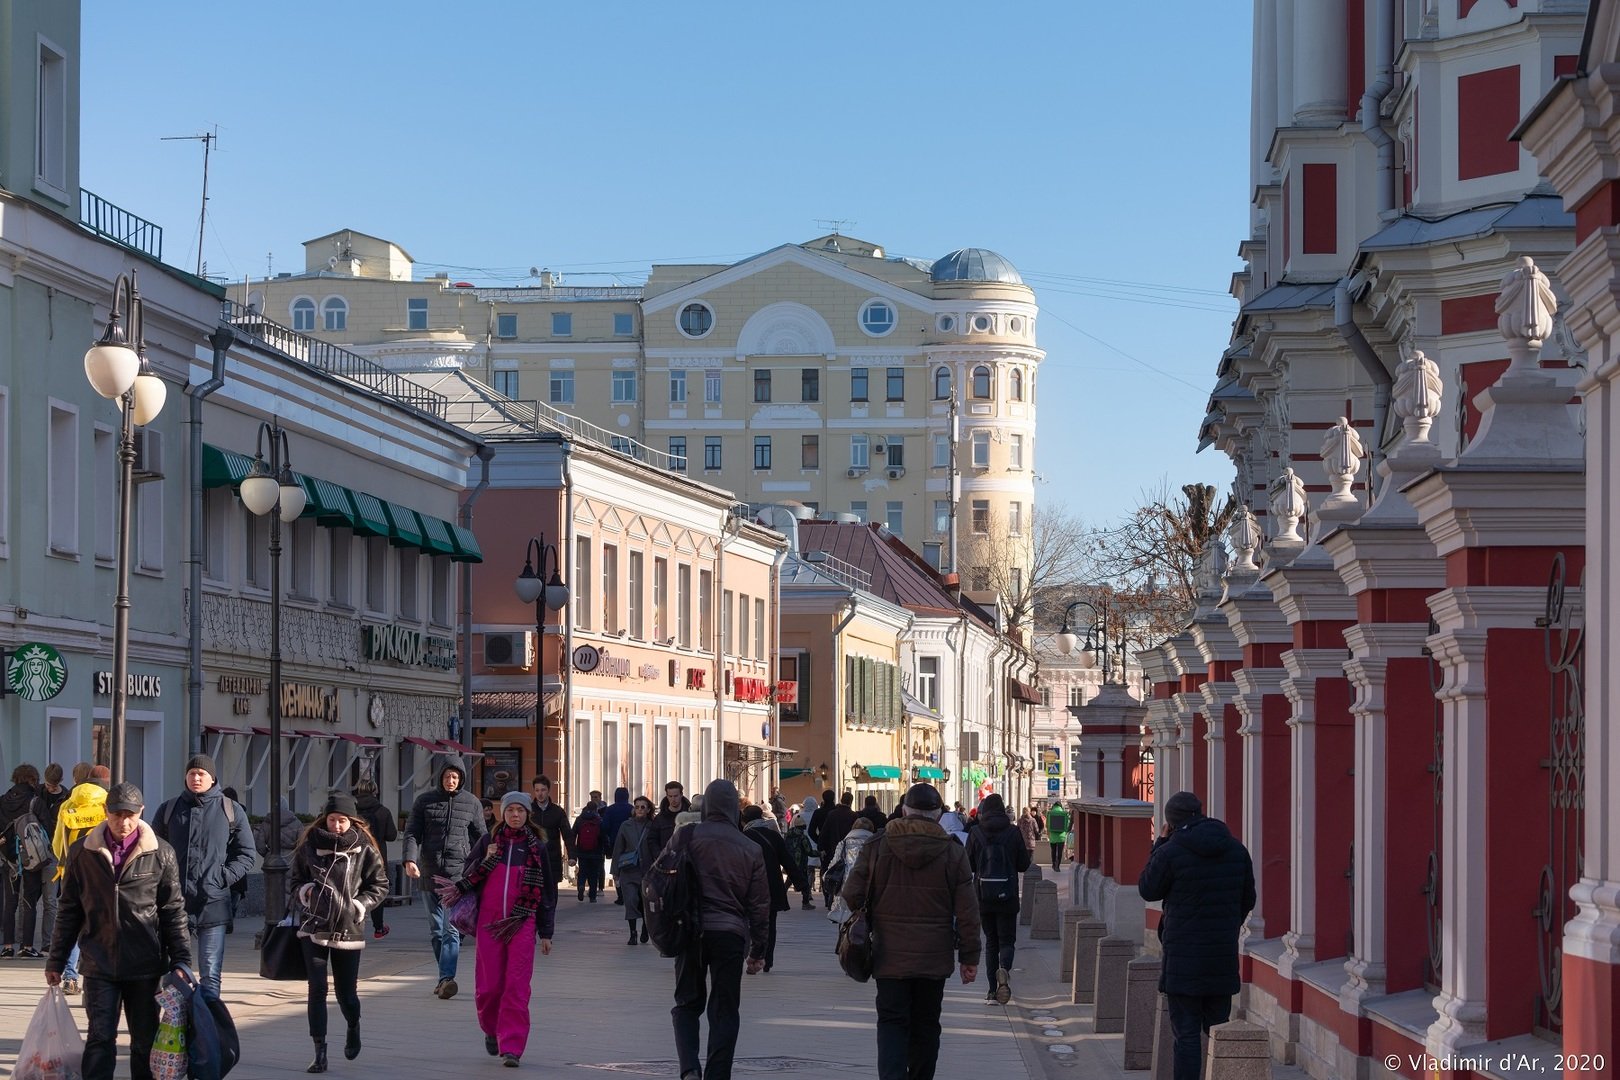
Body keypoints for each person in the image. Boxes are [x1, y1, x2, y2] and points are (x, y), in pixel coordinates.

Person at [45, 782, 191, 1080]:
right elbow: (69, 910)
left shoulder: (160, 853)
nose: (123, 822)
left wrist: (181, 962)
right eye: (116, 815)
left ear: (141, 813)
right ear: (104, 812)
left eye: (130, 815)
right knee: (99, 1041)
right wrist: (56, 960)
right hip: (99, 962)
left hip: (144, 965)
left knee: (144, 1042)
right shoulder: (82, 852)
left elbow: (173, 910)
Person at [842, 783, 980, 1080]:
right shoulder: (953, 852)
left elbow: (851, 894)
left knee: (891, 1022)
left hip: (889, 956)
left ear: (904, 811)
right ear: (938, 815)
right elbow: (968, 911)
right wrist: (970, 956)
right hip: (934, 957)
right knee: (927, 1025)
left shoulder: (877, 846)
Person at [1137, 791, 1257, 1080]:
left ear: (1171, 823)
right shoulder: (1236, 849)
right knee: (1218, 1029)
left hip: (1183, 960)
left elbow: (1148, 889)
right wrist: (1228, 926)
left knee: (1187, 1036)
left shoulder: (1170, 851)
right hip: (1221, 955)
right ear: (1200, 813)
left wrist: (1160, 843)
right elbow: (1248, 899)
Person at [437, 791, 556, 1068]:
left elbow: (547, 892)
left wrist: (546, 932)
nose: (515, 815)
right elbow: (468, 876)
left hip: (521, 922)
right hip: (489, 924)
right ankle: (491, 1029)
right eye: (511, 810)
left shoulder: (536, 847)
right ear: (503, 813)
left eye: (521, 810)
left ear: (528, 815)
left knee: (516, 986)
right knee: (489, 987)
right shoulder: (488, 841)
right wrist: (484, 859)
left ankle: (512, 1046)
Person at [668, 780, 769, 1080]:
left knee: (686, 1004)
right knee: (725, 1009)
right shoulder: (750, 847)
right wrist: (758, 951)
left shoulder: (686, 835)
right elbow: (760, 905)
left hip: (690, 931)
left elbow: (658, 877)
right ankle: (717, 1074)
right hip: (730, 935)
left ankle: (689, 1069)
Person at [289, 791, 390, 1074]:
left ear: (351, 821)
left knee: (347, 993)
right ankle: (319, 1052)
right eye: (332, 819)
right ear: (325, 819)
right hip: (314, 926)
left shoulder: (364, 849)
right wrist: (306, 891)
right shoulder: (310, 845)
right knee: (317, 988)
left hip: (349, 929)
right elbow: (295, 879)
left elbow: (380, 885)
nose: (336, 825)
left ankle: (353, 1025)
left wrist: (359, 905)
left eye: (342, 820)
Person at [151, 754, 254, 1000]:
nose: (196, 778)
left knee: (210, 971)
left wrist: (222, 877)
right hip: (175, 903)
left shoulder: (230, 809)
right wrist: (164, 883)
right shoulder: (170, 809)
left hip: (213, 901)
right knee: (175, 970)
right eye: (192, 774)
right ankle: (174, 1024)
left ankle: (209, 1025)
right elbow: (152, 849)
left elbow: (247, 854)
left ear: (212, 777)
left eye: (201, 774)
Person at [401, 757, 484, 1000]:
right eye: (447, 776)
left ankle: (447, 978)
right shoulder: (425, 801)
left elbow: (482, 837)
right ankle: (442, 976)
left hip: (458, 877)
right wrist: (410, 860)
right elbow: (412, 833)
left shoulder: (471, 803)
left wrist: (481, 868)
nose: (451, 781)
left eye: (455, 777)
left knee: (451, 929)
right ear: (440, 777)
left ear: (461, 779)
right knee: (436, 930)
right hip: (429, 872)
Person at [965, 793, 1032, 1004]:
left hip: (984, 896)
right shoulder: (1013, 832)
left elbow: (969, 865)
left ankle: (992, 991)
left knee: (991, 942)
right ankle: (1004, 968)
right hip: (1008, 894)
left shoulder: (975, 832)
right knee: (1007, 940)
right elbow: (1023, 864)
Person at [51, 763, 109, 993]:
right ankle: (101, 974)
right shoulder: (108, 802)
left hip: (71, 874)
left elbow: (57, 844)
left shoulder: (68, 803)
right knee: (103, 925)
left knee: (73, 924)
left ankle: (71, 977)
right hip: (103, 874)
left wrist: (65, 863)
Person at [741, 803, 806, 972]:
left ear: (744, 820)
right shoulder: (774, 836)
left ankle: (752, 956)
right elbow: (787, 859)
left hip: (750, 886)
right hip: (772, 885)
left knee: (749, 922)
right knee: (770, 924)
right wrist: (800, 882)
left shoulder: (743, 837)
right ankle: (767, 960)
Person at [0, 763, 40, 957]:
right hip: (30, 856)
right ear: (32, 779)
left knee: (10, 902)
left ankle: (7, 946)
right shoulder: (34, 801)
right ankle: (27, 946)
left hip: (8, 858)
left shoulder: (2, 800)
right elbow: (47, 827)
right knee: (29, 901)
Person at [31, 764, 70, 953]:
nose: (50, 788)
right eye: (47, 784)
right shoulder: (37, 793)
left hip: (55, 850)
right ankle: (26, 942)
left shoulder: (67, 797)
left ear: (60, 782)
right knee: (31, 896)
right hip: (36, 847)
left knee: (50, 899)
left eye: (53, 785)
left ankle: (47, 941)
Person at [352, 779, 398, 939]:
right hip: (377, 857)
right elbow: (392, 835)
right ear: (375, 791)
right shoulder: (383, 811)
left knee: (354, 889)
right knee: (376, 890)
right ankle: (378, 928)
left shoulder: (352, 810)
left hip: (355, 857)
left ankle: (353, 923)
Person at [609, 795, 656, 944]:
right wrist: (615, 871)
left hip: (647, 870)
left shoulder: (652, 826)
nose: (640, 810)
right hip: (628, 870)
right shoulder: (626, 825)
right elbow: (618, 848)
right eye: (637, 807)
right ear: (633, 809)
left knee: (644, 902)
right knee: (630, 901)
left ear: (648, 810)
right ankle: (632, 933)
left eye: (643, 807)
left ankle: (645, 929)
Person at [527, 775, 573, 904]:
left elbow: (567, 834)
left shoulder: (557, 811)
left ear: (548, 790)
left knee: (551, 894)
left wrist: (572, 856)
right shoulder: (529, 811)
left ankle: (549, 917)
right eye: (537, 790)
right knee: (533, 891)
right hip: (533, 857)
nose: (540, 794)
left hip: (551, 857)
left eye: (543, 790)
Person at [825, 816, 877, 915]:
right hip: (867, 885)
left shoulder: (843, 843)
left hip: (845, 886)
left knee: (845, 918)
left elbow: (833, 864)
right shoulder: (874, 845)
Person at [601, 787, 633, 903]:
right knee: (630, 867)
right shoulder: (631, 809)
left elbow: (604, 827)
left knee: (617, 869)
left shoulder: (610, 810)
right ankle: (630, 892)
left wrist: (609, 836)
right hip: (630, 843)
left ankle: (620, 896)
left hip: (615, 843)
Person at [571, 799, 607, 902]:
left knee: (582, 871)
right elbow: (604, 836)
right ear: (596, 809)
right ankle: (592, 896)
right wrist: (606, 849)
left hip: (582, 851)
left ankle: (581, 885)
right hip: (596, 851)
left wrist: (572, 849)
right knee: (593, 873)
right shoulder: (599, 820)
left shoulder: (579, 819)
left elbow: (573, 834)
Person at [782, 808, 817, 909]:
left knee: (788, 882)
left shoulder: (788, 836)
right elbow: (809, 851)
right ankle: (805, 903)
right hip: (800, 864)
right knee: (805, 885)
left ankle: (781, 900)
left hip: (790, 863)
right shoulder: (802, 838)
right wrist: (820, 853)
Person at [818, 791, 857, 876]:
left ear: (841, 800)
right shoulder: (854, 816)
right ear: (851, 801)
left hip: (833, 848)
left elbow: (825, 831)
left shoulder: (832, 814)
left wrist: (821, 847)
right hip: (849, 850)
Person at [647, 780, 690, 856]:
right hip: (667, 860)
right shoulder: (660, 818)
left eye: (676, 796)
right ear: (667, 796)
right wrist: (659, 855)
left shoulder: (690, 816)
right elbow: (652, 839)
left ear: (681, 795)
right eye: (670, 796)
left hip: (687, 860)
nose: (673, 799)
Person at [1045, 800, 1072, 872]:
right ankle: (1058, 866)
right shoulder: (1064, 813)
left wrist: (1048, 833)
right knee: (1060, 852)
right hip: (1061, 836)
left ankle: (1053, 864)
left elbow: (1047, 825)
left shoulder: (1049, 813)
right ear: (1060, 806)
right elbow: (1067, 824)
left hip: (1052, 836)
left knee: (1053, 851)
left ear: (1054, 806)